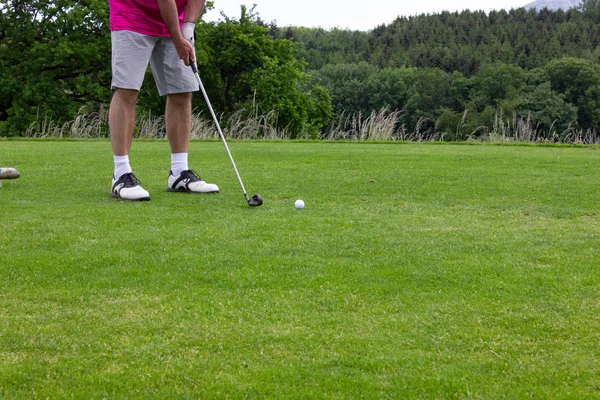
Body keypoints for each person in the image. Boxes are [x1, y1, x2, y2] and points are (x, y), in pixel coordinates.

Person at [108, 0, 219, 201]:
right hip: (132, 13)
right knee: (127, 89)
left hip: (176, 19)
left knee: (182, 90)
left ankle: (179, 172)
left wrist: (188, 26)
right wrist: (178, 38)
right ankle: (121, 174)